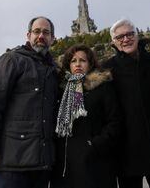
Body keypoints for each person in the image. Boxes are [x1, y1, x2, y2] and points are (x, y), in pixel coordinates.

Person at [0, 16, 59, 188]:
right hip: (13, 163)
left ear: (52, 38)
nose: (41, 36)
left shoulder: (53, 70)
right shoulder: (12, 60)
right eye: (37, 31)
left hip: (42, 164)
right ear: (28, 35)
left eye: (46, 32)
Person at [103, 19, 150, 188]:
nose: (125, 39)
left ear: (137, 35)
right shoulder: (107, 68)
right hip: (126, 149)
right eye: (120, 37)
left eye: (129, 34)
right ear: (114, 42)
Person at [50, 44, 121, 188]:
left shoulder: (102, 87)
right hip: (65, 164)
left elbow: (115, 121)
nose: (77, 64)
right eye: (73, 61)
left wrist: (95, 144)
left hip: (94, 162)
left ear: (90, 64)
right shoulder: (60, 90)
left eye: (82, 60)